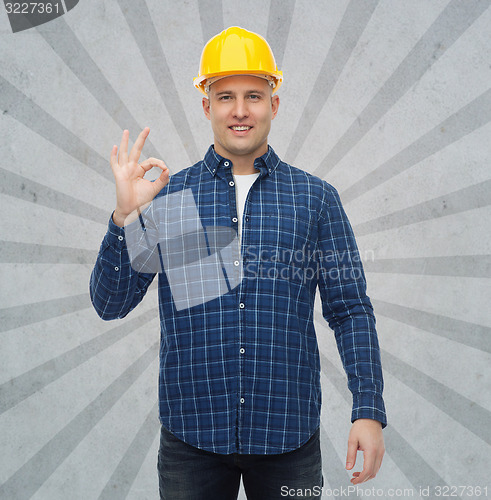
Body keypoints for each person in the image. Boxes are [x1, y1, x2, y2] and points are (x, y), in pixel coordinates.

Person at [90, 26, 386, 499]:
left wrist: (367, 409)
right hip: (192, 440)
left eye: (254, 95)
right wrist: (125, 216)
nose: (241, 110)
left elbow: (350, 310)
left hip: (288, 437)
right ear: (206, 106)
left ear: (274, 103)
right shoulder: (174, 197)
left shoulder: (314, 199)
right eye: (225, 96)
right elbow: (110, 303)